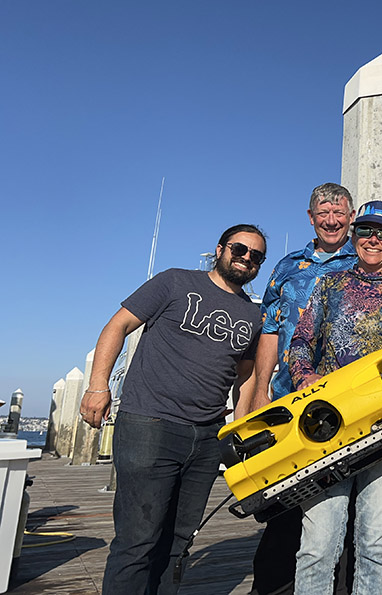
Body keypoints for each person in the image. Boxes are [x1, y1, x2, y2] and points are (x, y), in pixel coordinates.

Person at [80, 224, 266, 594]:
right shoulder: (175, 282)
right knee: (138, 540)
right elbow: (118, 325)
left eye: (256, 255)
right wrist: (98, 386)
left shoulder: (253, 315)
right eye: (239, 249)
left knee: (179, 542)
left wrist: (240, 425)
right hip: (150, 424)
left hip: (207, 437)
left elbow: (245, 374)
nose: (246, 258)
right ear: (220, 249)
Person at [288, 200, 382, 595]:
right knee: (317, 547)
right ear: (354, 236)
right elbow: (300, 342)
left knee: (375, 547)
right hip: (328, 432)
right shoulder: (328, 285)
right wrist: (306, 382)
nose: (374, 239)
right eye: (365, 230)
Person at [245, 183, 357, 595]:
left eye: (339, 213)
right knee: (284, 506)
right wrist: (259, 392)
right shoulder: (288, 266)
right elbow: (269, 330)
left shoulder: (365, 260)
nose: (331, 220)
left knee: (343, 511)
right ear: (310, 218)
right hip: (288, 400)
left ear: (350, 217)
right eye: (323, 213)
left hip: (345, 404)